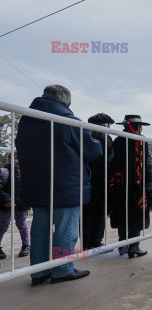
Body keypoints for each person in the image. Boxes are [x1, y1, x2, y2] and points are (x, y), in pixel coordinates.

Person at [15, 84, 103, 286]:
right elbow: (92, 152)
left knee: (40, 228)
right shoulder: (67, 120)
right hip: (65, 187)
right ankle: (62, 270)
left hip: (36, 185)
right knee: (65, 229)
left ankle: (39, 272)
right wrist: (97, 138)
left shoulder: (26, 119)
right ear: (68, 103)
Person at [109, 115, 152, 259]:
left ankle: (123, 245)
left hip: (119, 186)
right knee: (136, 215)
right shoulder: (141, 141)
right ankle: (134, 246)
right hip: (137, 186)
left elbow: (112, 163)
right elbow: (147, 164)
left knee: (122, 214)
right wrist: (149, 185)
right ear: (138, 126)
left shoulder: (118, 140)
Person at [82, 113, 114, 250]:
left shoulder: (85, 135)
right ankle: (94, 242)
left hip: (86, 179)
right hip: (101, 180)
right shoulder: (104, 137)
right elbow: (108, 160)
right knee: (99, 212)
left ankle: (86, 242)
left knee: (85, 212)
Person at [0, 152, 30, 259]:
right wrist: (7, 199)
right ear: (8, 160)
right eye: (15, 158)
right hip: (6, 205)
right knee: (3, 226)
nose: (18, 161)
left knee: (22, 224)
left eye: (20, 158)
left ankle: (26, 245)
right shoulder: (5, 172)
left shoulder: (26, 173)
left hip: (21, 205)